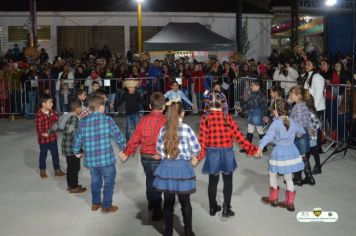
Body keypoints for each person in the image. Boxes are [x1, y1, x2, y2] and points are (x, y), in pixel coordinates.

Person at [196, 91, 260, 218]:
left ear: (208, 103)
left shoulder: (205, 119)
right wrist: (254, 150)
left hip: (213, 153)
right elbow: (240, 138)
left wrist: (197, 157)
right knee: (228, 181)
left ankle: (212, 207)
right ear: (223, 103)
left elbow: (202, 142)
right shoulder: (228, 118)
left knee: (212, 182)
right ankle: (226, 208)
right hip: (227, 153)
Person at [152, 100, 201, 236]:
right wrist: (194, 156)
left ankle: (168, 232)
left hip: (166, 169)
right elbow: (197, 148)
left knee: (168, 202)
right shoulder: (186, 128)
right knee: (185, 202)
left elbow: (158, 150)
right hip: (182, 168)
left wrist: (164, 154)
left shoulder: (163, 129)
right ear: (181, 113)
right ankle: (188, 231)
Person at [73, 95, 126, 213]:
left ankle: (95, 203)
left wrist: (76, 151)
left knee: (95, 181)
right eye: (104, 105)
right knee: (109, 182)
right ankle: (106, 206)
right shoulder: (107, 120)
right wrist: (123, 147)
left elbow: (77, 139)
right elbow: (117, 135)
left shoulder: (83, 122)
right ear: (99, 107)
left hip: (91, 160)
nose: (105, 108)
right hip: (106, 159)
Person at [121, 92, 167, 221]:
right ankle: (157, 209)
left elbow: (135, 137)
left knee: (149, 178)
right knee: (158, 182)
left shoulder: (143, 120)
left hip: (145, 156)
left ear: (149, 106)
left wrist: (127, 151)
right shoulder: (165, 120)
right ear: (164, 107)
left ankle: (151, 202)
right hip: (158, 157)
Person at [259, 99, 305, 212]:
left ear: (275, 111)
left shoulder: (276, 123)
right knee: (289, 178)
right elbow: (302, 131)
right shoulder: (291, 121)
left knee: (272, 174)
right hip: (291, 151)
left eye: (272, 110)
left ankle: (273, 198)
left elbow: (268, 136)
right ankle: (290, 203)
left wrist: (260, 147)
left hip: (279, 152)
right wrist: (295, 134)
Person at [289, 86, 315, 186]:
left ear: (298, 96)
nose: (290, 95)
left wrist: (296, 132)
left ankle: (299, 179)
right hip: (304, 132)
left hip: (298, 133)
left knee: (297, 156)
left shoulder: (297, 107)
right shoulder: (304, 105)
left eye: (292, 94)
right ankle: (308, 178)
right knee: (302, 156)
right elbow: (307, 119)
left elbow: (298, 120)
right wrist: (308, 129)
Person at [35, 94, 66, 178]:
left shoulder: (51, 112)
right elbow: (38, 129)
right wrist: (42, 133)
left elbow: (57, 119)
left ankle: (57, 170)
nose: (52, 104)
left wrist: (61, 117)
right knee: (43, 154)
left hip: (52, 138)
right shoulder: (39, 115)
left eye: (52, 102)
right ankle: (42, 170)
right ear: (43, 104)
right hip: (43, 140)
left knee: (55, 154)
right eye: (50, 102)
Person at [61, 99, 86, 193]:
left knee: (72, 167)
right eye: (81, 108)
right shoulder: (74, 118)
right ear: (77, 108)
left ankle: (71, 185)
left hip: (68, 146)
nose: (82, 110)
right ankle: (73, 187)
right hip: (72, 148)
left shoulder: (70, 116)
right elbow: (71, 132)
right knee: (74, 167)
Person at [240, 80, 268, 153]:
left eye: (252, 86)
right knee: (250, 130)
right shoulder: (253, 94)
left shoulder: (259, 95)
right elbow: (249, 103)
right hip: (252, 113)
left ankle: (264, 147)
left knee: (260, 130)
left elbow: (263, 106)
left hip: (257, 114)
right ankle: (248, 147)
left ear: (257, 86)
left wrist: (265, 115)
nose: (251, 87)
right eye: (251, 85)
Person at [305, 96, 322, 175]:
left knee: (313, 152)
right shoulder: (306, 112)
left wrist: (311, 129)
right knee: (309, 153)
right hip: (307, 137)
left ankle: (317, 167)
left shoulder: (311, 113)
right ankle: (309, 168)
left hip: (311, 137)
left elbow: (318, 124)